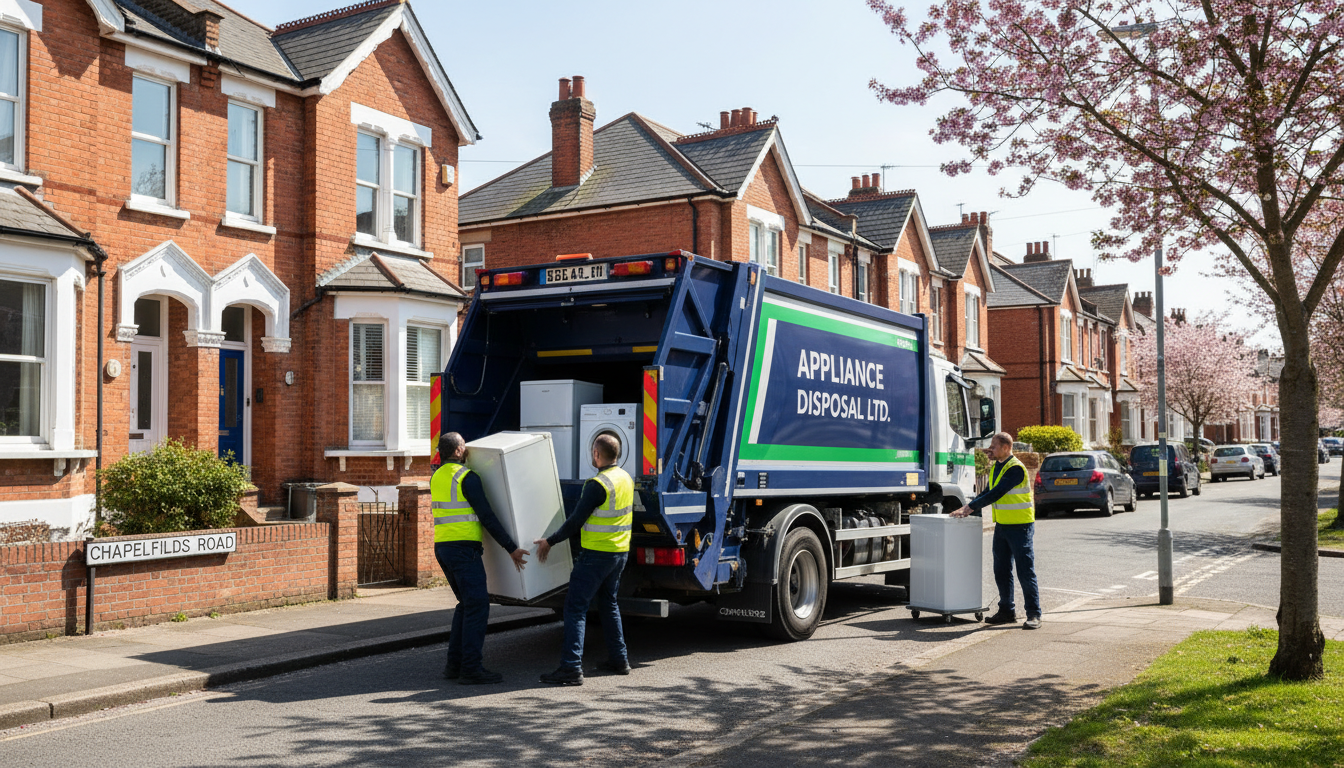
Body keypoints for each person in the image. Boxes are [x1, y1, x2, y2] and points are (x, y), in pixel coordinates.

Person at [534, 434, 632, 685]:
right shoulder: (625, 478)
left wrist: (549, 541)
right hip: (619, 553)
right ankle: (620, 660)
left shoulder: (597, 484)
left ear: (597, 454)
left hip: (596, 555)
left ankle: (570, 667)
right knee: (609, 604)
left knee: (575, 608)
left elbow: (575, 521)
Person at [432, 432, 529, 684]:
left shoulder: (437, 476)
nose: (466, 450)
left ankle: (454, 666)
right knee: (477, 607)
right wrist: (511, 548)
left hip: (443, 548)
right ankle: (471, 669)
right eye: (464, 447)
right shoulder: (466, 478)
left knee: (466, 605)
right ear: (457, 451)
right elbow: (487, 517)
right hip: (463, 551)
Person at [951, 431, 1041, 629]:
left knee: (1025, 571)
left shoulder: (1015, 468)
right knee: (1001, 570)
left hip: (1020, 526)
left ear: (1006, 447)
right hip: (1002, 526)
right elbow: (987, 492)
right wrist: (968, 506)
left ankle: (1034, 614)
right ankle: (1006, 610)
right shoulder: (997, 468)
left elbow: (997, 493)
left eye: (994, 446)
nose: (990, 449)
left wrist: (970, 508)